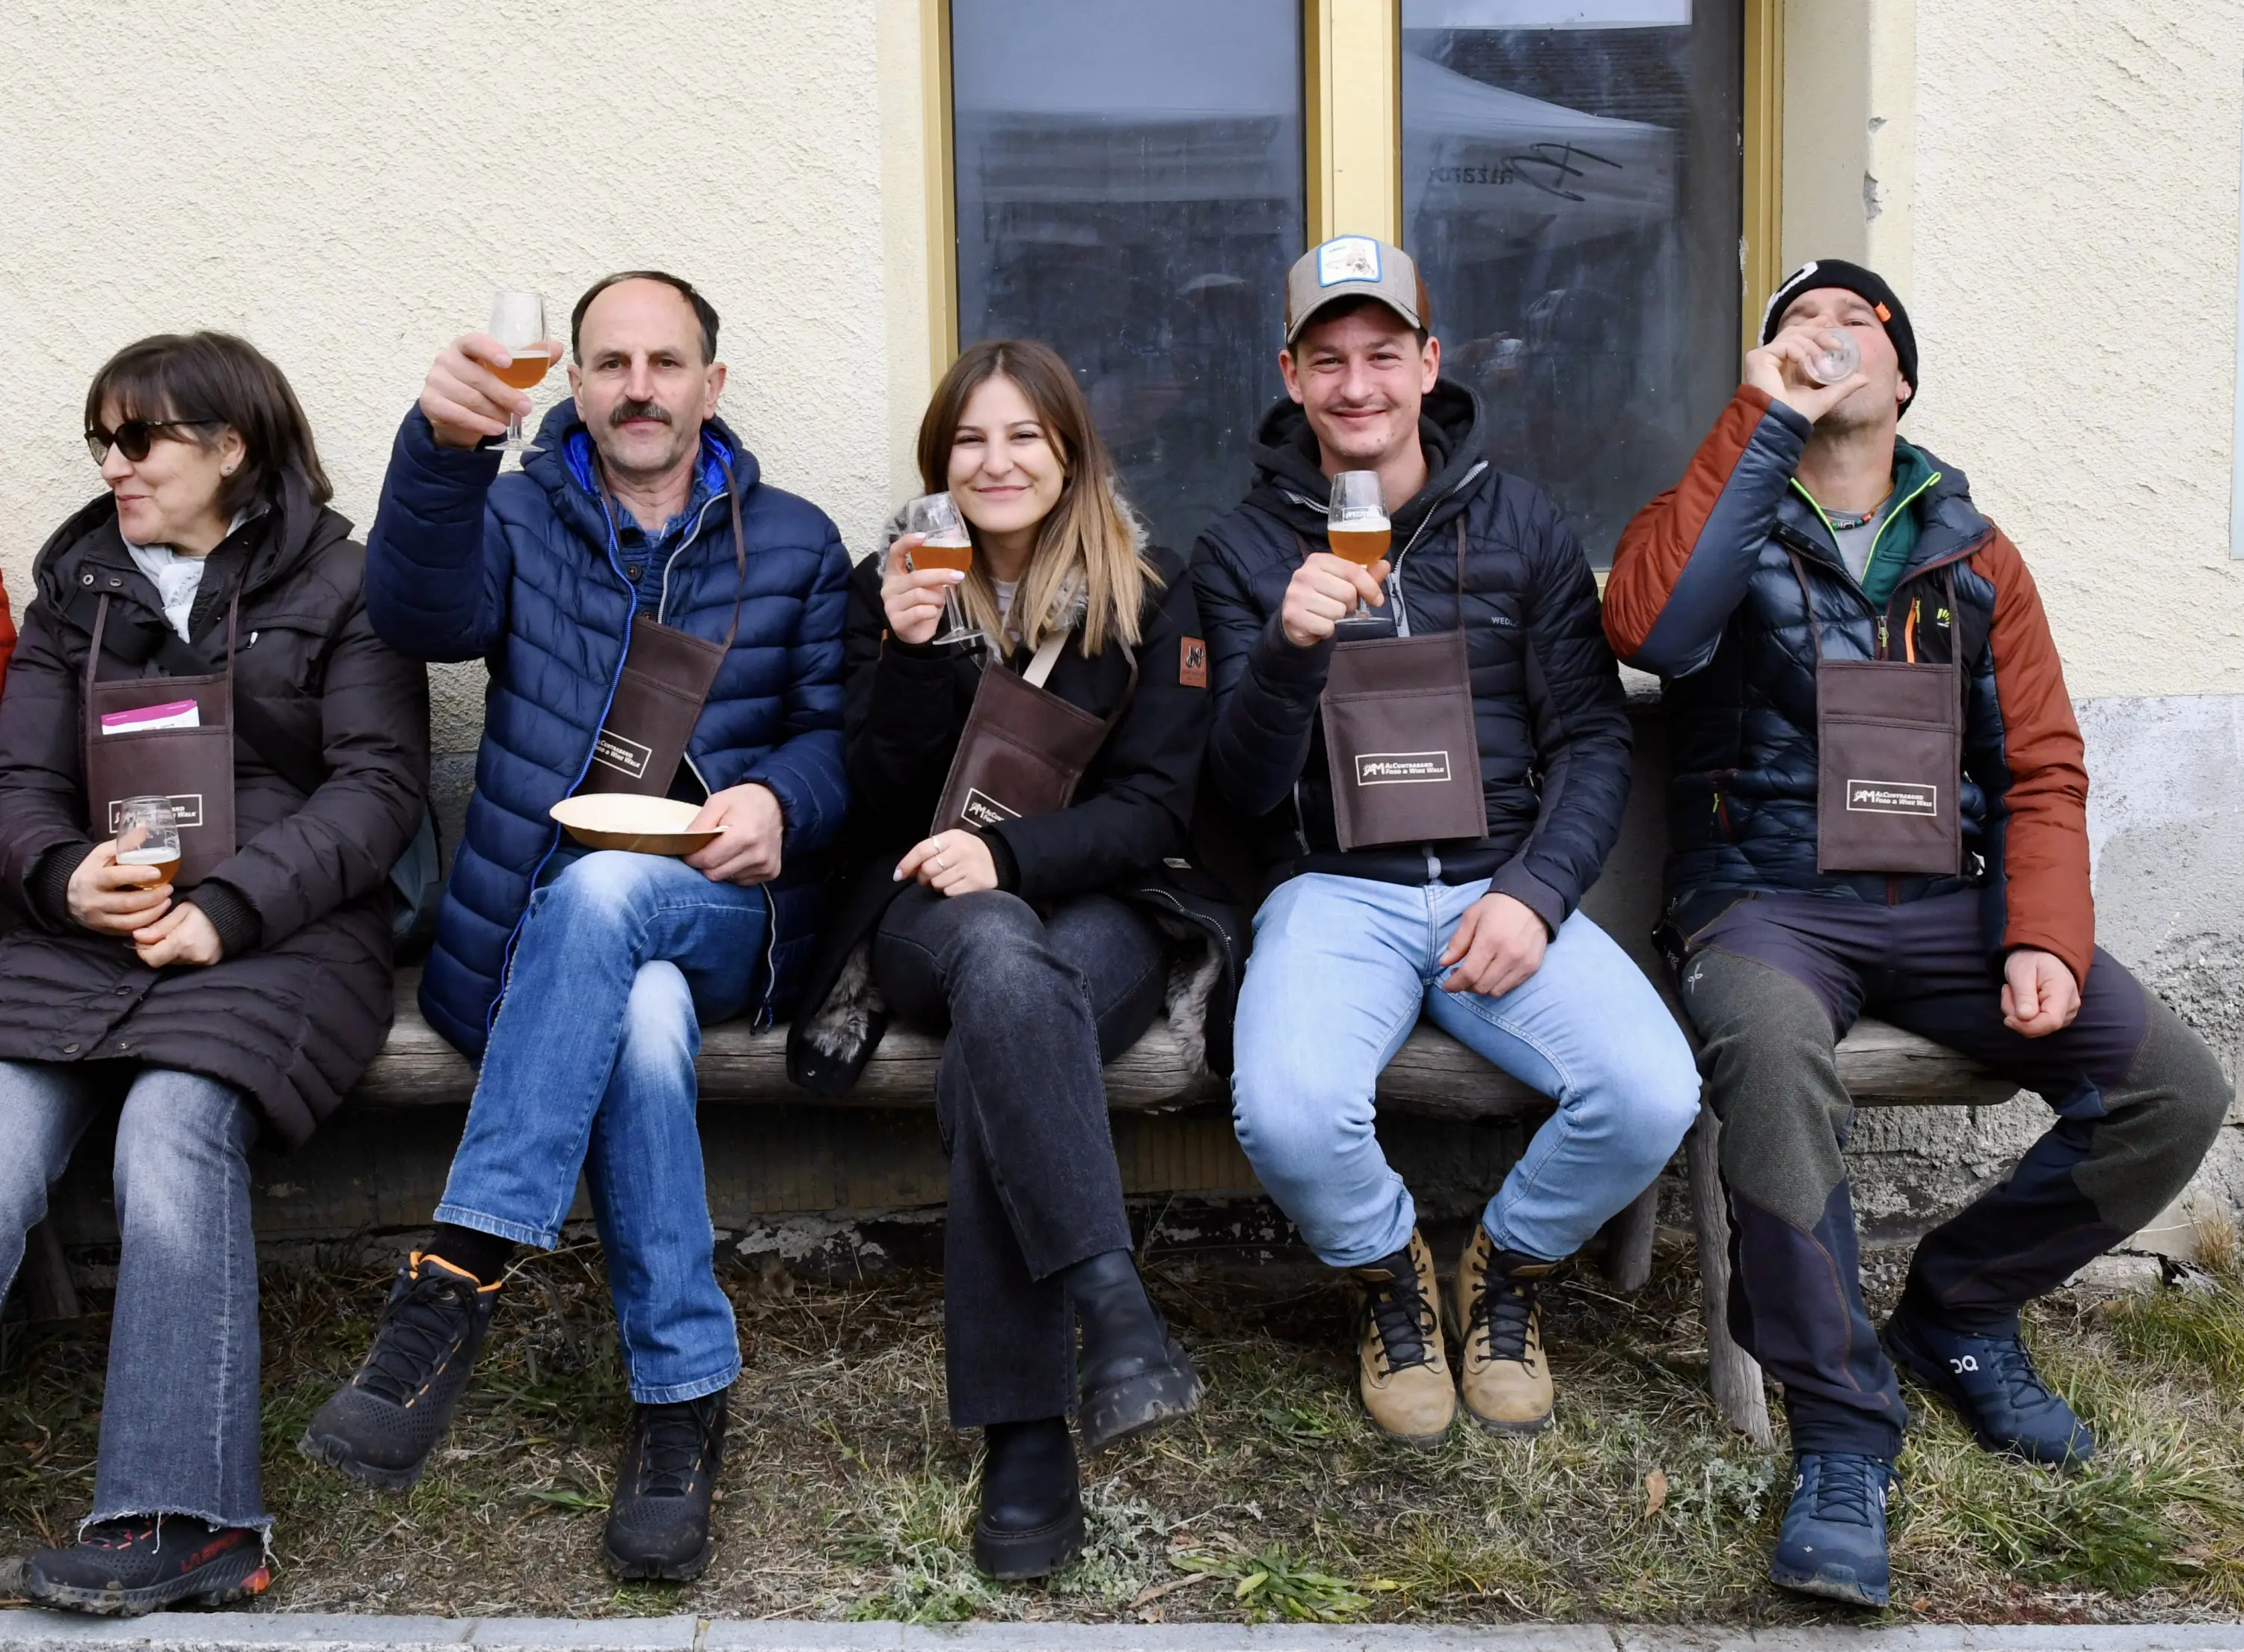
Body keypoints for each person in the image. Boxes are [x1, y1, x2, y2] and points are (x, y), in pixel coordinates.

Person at [1605, 258, 2232, 1608]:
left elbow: (2044, 768)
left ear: (1901, 377)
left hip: (1941, 901)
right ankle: (1841, 1431)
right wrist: (1757, 423)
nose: (1822, 340)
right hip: (1764, 902)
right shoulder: (1718, 506)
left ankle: (1952, 1312)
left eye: (1853, 324)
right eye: (1792, 330)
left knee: (2173, 1091)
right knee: (1769, 1061)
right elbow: (1651, 627)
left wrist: (2043, 938)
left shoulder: (1975, 552)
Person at [300, 271, 850, 1583]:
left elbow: (839, 739)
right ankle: (680, 1402)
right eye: (611, 363)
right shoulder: (513, 518)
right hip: (535, 934)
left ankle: (464, 1265)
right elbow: (417, 612)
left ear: (713, 386)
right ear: (576, 384)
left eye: (667, 363)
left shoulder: (796, 541)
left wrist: (785, 798)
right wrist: (439, 451)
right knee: (639, 1013)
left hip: (725, 909)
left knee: (619, 902)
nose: (640, 387)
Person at [1191, 236, 1702, 1447]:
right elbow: (1234, 791)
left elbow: (1589, 738)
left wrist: (1535, 894)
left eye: (1382, 354)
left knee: (1649, 1093)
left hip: (1500, 884)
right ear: (1291, 375)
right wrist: (1284, 653)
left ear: (1430, 364)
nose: (1356, 385)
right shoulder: (1242, 549)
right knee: (1289, 1109)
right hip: (1335, 894)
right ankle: (1389, 1276)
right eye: (1328, 360)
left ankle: (1507, 1271)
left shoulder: (1518, 521)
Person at [0, 332, 431, 1615]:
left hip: (285, 932)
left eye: (141, 441)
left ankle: (188, 1521)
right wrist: (58, 874)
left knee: (171, 1130)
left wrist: (230, 912)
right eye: (102, 442)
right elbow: (18, 783)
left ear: (229, 448)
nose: (114, 466)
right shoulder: (76, 587)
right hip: (83, 932)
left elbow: (378, 790)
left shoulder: (348, 583)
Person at [788, 340, 1226, 1580]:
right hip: (927, 915)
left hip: (1102, 906)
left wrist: (1019, 858)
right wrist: (911, 654)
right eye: (970, 442)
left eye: (1024, 436)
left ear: (1070, 452)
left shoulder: (1150, 591)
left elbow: (1158, 808)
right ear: (942, 465)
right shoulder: (898, 584)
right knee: (992, 960)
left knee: (1011, 1021)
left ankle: (1028, 1429)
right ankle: (1113, 1308)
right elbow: (875, 799)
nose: (997, 462)